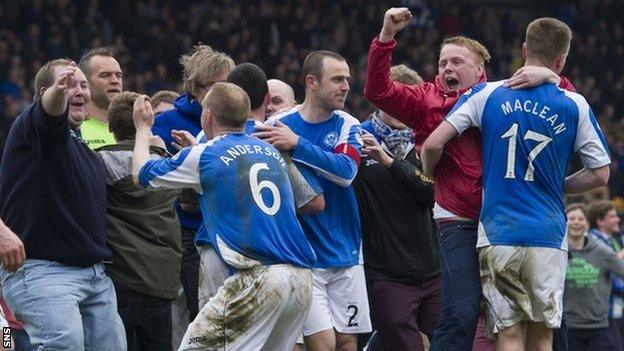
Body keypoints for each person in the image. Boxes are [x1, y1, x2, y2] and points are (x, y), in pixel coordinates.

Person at [364, 8, 575, 350]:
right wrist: (386, 35)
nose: (447, 68)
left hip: (507, 220)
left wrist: (549, 77)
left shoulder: (502, 95)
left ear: (479, 71)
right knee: (460, 314)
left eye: (457, 62)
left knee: (550, 318)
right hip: (459, 220)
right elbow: (378, 90)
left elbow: (562, 99)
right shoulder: (424, 101)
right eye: (443, 62)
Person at [421, 17, 611, 351]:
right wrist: (558, 185)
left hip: (499, 233)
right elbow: (600, 173)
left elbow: (434, 144)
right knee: (542, 338)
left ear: (524, 50)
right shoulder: (574, 103)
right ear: (561, 60)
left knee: (508, 335)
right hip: (548, 235)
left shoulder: (487, 93)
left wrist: (430, 176)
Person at [131, 82, 316, 350]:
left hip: (257, 278)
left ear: (207, 116)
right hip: (300, 280)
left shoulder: (204, 154)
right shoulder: (270, 151)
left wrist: (142, 129)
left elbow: (141, 175)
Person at [0, 59, 125, 350]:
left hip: (95, 276)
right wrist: (57, 92)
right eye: (69, 85)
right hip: (43, 271)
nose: (78, 90)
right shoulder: (34, 128)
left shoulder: (82, 149)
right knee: (62, 344)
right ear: (45, 92)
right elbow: (50, 109)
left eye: (83, 85)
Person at [256, 50, 371, 351]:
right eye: (337, 79)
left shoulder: (348, 124)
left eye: (347, 79)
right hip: (300, 254)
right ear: (312, 82)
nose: (346, 86)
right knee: (319, 344)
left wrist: (298, 145)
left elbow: (346, 172)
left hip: (345, 250)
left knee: (347, 342)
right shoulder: (279, 123)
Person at [354, 64, 440, 351]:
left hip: (433, 270)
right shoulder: (355, 138)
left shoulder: (429, 140)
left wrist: (393, 164)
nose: (405, 108)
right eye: (397, 100)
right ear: (382, 100)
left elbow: (432, 193)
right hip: (386, 274)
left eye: (410, 102)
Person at [152, 44, 235, 321]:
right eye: (211, 86)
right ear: (194, 87)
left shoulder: (240, 122)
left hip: (232, 231)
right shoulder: (165, 123)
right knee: (202, 315)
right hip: (189, 233)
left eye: (227, 84)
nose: (219, 93)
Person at [95, 91, 182, 351]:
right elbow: (190, 202)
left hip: (117, 283)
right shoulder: (171, 166)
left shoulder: (96, 164)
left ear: (110, 128)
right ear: (148, 123)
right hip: (161, 283)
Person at [565, 203, 624, 351]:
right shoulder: (557, 252)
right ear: (564, 222)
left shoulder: (602, 251)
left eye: (580, 219)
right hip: (567, 327)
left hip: (599, 327)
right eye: (571, 218)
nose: (576, 222)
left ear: (587, 224)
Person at [587, 200, 624, 349]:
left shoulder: (614, 239)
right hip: (604, 310)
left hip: (616, 307)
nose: (618, 219)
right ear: (600, 221)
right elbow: (607, 274)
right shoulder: (594, 241)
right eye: (613, 216)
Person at [78, 47, 124, 149]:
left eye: (119, 75)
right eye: (105, 75)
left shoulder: (135, 131)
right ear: (85, 83)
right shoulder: (74, 133)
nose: (115, 81)